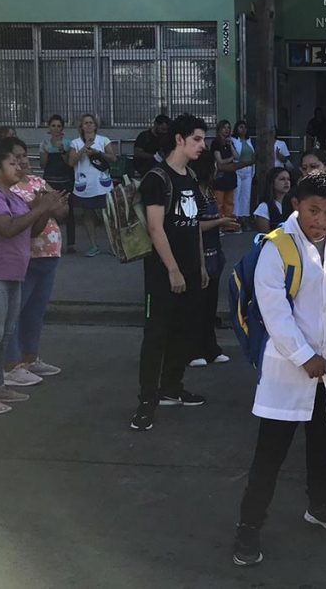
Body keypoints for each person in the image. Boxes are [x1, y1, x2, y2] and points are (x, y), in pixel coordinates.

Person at [232, 172, 326, 567]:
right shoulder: (277, 248)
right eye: (313, 210)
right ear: (295, 205)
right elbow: (275, 315)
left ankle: (320, 505)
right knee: (270, 454)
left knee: (323, 443)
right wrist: (305, 357)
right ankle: (248, 527)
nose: (320, 220)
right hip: (289, 368)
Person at [0, 144, 65, 415]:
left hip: (10, 275)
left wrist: (45, 208)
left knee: (5, 333)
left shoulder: (15, 198)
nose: (19, 167)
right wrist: (40, 208)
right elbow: (7, 229)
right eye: (12, 163)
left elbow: (32, 231)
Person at [129, 114, 210, 432]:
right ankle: (146, 402)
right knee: (156, 336)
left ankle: (172, 388)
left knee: (183, 331)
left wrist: (200, 265)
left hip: (189, 269)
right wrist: (173, 269)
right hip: (163, 273)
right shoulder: (157, 178)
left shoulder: (190, 175)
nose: (202, 145)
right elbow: (155, 228)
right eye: (197, 139)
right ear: (179, 139)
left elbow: (195, 226)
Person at [0, 137, 67, 385]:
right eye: (16, 158)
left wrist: (49, 206)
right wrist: (41, 205)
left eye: (24, 156)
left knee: (35, 312)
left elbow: (61, 210)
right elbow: (22, 216)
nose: (22, 162)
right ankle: (11, 364)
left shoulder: (38, 181)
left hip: (49, 255)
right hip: (26, 257)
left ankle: (30, 357)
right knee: (15, 312)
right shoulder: (8, 189)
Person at [188, 149, 240, 368]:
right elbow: (194, 226)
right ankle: (193, 349)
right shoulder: (193, 192)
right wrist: (220, 222)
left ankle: (211, 347)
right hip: (199, 255)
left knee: (210, 306)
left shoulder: (208, 190)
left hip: (214, 254)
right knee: (196, 307)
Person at [67, 113, 116, 257]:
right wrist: (83, 149)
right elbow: (71, 162)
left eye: (91, 123)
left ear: (95, 125)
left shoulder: (104, 140)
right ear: (81, 126)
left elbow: (113, 158)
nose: (88, 125)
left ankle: (114, 245)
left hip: (102, 185)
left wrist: (98, 153)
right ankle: (94, 245)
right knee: (87, 215)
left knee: (108, 215)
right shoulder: (75, 143)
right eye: (85, 123)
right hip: (84, 186)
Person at [39, 114, 76, 253]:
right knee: (50, 212)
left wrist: (61, 149)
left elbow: (69, 163)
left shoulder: (68, 143)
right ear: (49, 128)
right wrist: (46, 152)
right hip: (50, 181)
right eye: (53, 126)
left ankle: (71, 244)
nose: (56, 128)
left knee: (69, 211)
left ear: (62, 128)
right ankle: (51, 241)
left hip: (66, 181)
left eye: (59, 126)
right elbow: (43, 165)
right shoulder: (44, 144)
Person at [210, 119, 240, 220]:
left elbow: (237, 156)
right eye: (224, 127)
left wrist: (231, 145)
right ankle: (219, 223)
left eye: (228, 128)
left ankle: (228, 223)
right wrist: (231, 158)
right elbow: (220, 161)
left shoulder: (229, 142)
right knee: (219, 203)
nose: (226, 130)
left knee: (229, 202)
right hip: (220, 177)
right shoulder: (216, 143)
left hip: (230, 176)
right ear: (219, 129)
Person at [233, 121, 258, 228]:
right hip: (238, 169)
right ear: (236, 128)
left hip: (248, 170)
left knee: (246, 195)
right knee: (237, 194)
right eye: (241, 127)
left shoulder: (249, 140)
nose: (243, 129)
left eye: (245, 127)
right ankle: (236, 217)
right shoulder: (233, 140)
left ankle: (245, 217)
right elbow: (236, 156)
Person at [253, 167, 291, 233]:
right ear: (272, 182)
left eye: (288, 179)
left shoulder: (291, 204)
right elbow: (265, 234)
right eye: (282, 179)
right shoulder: (264, 207)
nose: (286, 182)